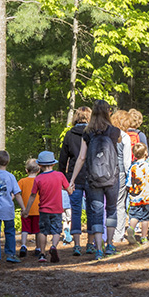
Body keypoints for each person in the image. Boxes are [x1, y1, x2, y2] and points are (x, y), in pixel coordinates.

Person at [69, 99, 120, 260]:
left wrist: (72, 179)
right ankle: (110, 244)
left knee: (96, 213)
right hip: (112, 177)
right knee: (111, 210)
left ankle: (98, 249)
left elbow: (81, 158)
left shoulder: (87, 133)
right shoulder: (114, 131)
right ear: (107, 112)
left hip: (92, 179)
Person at [23, 151, 73, 263]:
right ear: (53, 164)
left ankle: (42, 254)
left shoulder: (38, 179)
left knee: (42, 231)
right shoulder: (60, 175)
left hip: (44, 210)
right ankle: (54, 246)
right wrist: (71, 189)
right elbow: (69, 190)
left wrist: (27, 210)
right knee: (56, 231)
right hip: (57, 209)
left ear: (39, 166)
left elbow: (32, 195)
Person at [58, 106, 95, 256]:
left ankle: (77, 245)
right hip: (92, 175)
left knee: (75, 211)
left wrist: (63, 177)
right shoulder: (93, 134)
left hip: (74, 176)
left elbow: (63, 158)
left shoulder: (69, 135)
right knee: (93, 210)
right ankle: (91, 243)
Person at [125, 142, 149, 245]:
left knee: (134, 216)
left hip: (134, 197)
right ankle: (144, 237)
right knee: (145, 218)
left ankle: (131, 228)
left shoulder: (132, 167)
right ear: (146, 153)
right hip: (146, 197)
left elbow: (128, 183)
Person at [110, 109, 133, 243]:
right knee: (119, 204)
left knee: (107, 203)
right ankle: (117, 235)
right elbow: (126, 161)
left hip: (105, 172)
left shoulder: (106, 134)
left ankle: (104, 234)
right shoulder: (124, 137)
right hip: (120, 173)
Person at [17, 158, 41, 257]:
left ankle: (23, 245)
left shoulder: (22, 181)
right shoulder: (40, 180)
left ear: (26, 170)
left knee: (25, 229)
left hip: (25, 209)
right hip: (39, 210)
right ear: (39, 170)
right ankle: (38, 248)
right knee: (38, 230)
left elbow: (16, 193)